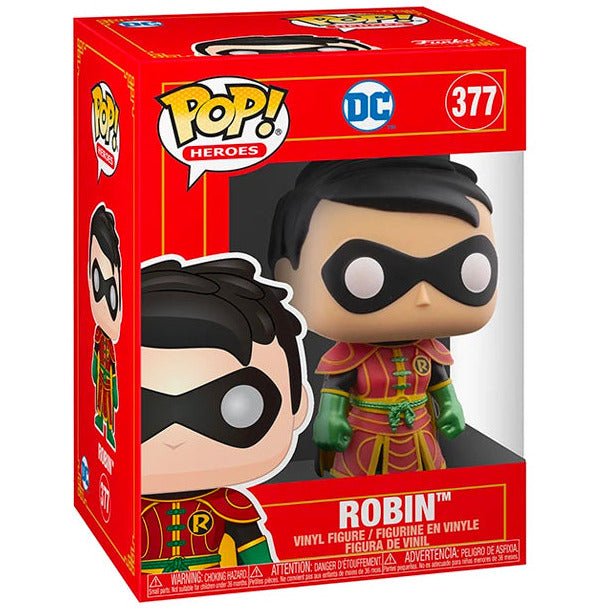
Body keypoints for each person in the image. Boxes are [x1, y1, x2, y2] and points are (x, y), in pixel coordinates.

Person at [269, 156, 497, 477]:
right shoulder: (349, 355)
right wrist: (330, 416)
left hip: (419, 436)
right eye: (364, 274)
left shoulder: (428, 351)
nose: (423, 298)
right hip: (366, 438)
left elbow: (440, 382)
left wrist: (450, 405)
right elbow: (336, 388)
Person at [140, 255, 310, 571]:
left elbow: (258, 559)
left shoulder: (231, 506)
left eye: (240, 408)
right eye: (146, 411)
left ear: (297, 407)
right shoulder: (128, 507)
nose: (177, 437)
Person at [88, 204, 122, 450]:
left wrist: (116, 395)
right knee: (102, 403)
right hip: (102, 378)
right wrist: (94, 371)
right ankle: (103, 422)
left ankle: (108, 428)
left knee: (109, 403)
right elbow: (95, 360)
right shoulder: (100, 337)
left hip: (109, 380)